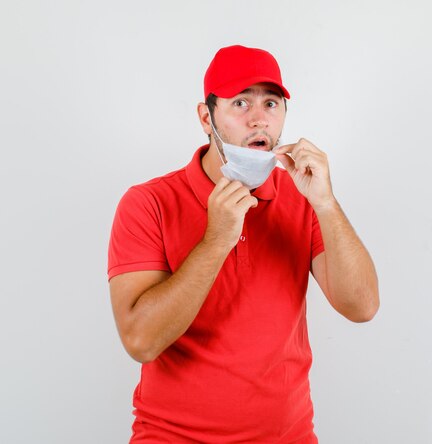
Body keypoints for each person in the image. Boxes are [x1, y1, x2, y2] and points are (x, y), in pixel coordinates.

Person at [108, 44, 379, 443]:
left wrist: (325, 202)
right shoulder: (147, 203)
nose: (259, 120)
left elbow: (362, 307)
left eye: (271, 103)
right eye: (240, 103)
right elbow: (141, 341)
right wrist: (216, 240)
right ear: (206, 117)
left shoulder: (303, 199)